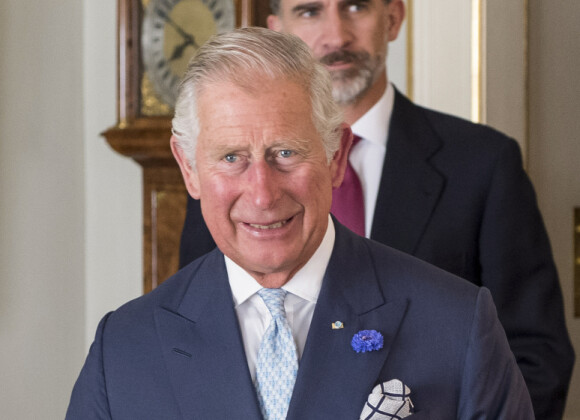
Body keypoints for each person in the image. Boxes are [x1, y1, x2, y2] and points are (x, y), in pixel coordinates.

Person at [179, 0, 574, 419]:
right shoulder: (231, 183)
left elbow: (536, 357)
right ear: (276, 30)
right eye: (310, 11)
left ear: (392, 18)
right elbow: (197, 337)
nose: (335, 35)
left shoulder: (484, 165)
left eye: (356, 6)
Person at [67, 28, 534, 418]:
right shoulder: (123, 350)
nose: (263, 193)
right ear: (188, 167)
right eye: (231, 158)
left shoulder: (456, 325)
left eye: (285, 153)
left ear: (335, 155)